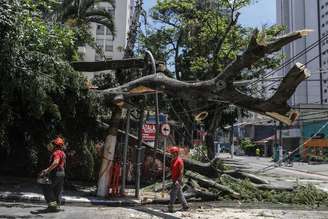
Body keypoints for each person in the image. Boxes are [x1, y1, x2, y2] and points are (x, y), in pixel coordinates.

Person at [39, 137, 66, 212]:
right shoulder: (63, 153)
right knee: (57, 190)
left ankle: (52, 207)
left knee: (46, 188)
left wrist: (47, 170)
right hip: (62, 173)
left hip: (56, 173)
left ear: (55, 145)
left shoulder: (56, 152)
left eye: (53, 144)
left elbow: (56, 162)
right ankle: (57, 206)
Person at [168, 146, 189, 213]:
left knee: (172, 193)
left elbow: (181, 171)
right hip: (174, 179)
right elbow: (171, 170)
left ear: (176, 153)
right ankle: (185, 206)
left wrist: (178, 180)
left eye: (173, 153)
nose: (172, 154)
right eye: (171, 153)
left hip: (178, 180)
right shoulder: (172, 160)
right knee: (179, 194)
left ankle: (170, 207)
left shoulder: (179, 161)